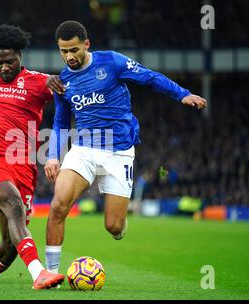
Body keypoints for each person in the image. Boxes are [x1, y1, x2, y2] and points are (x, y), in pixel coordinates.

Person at [44, 21, 207, 274]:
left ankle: (120, 222)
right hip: (83, 149)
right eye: (63, 51)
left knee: (114, 227)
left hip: (118, 151)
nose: (69, 56)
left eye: (74, 50)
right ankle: (50, 274)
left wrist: (182, 94)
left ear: (86, 45)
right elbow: (60, 122)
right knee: (57, 206)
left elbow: (149, 77)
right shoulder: (62, 81)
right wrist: (53, 156)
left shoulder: (112, 62)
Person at [0, 24, 64, 289]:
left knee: (10, 244)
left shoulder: (40, 82)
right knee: (12, 203)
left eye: (9, 61)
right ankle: (39, 275)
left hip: (22, 164)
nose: (4, 67)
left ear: (20, 56)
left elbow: (67, 90)